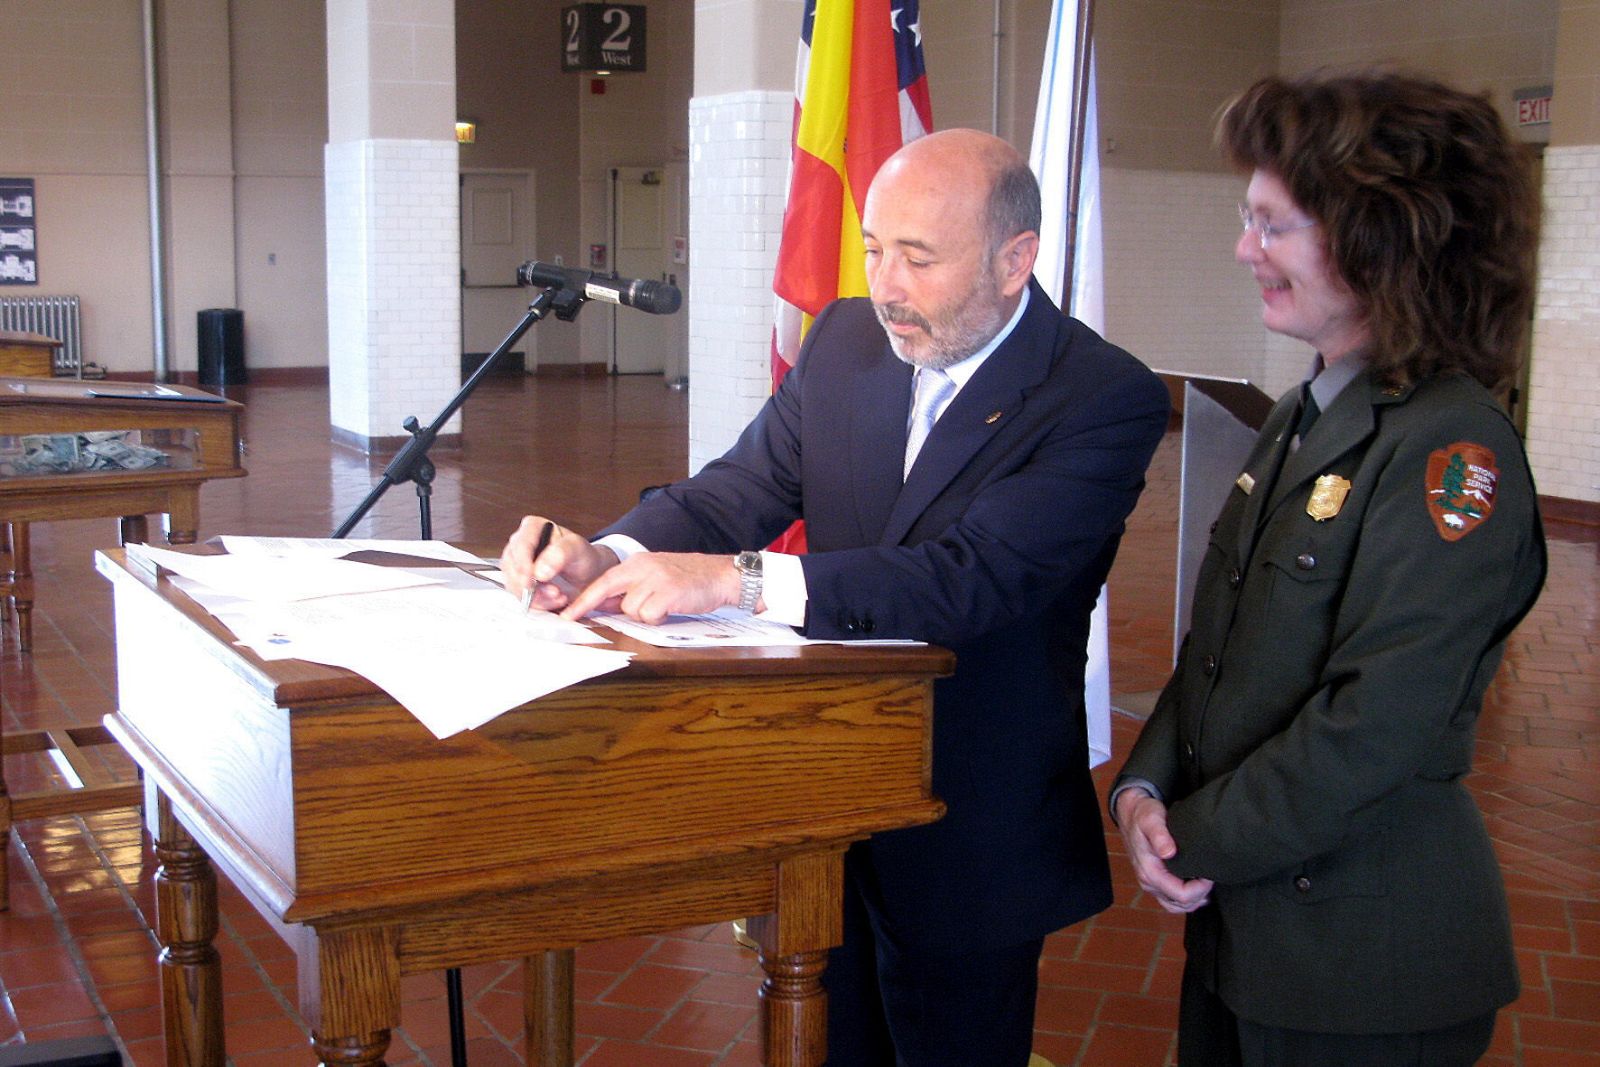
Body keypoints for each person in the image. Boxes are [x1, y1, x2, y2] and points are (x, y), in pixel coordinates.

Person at [501, 128, 1170, 1066]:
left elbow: (969, 575)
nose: (886, 283)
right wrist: (606, 552)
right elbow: (737, 487)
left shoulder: (1101, 396)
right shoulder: (849, 340)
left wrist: (736, 579)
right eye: (872, 247)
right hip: (821, 788)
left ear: (1017, 260)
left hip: (969, 811)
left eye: (919, 257)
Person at [1112, 71, 1547, 1066]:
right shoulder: (1308, 417)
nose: (1242, 249)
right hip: (1251, 937)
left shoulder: (1450, 452)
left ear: (1378, 236)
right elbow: (1214, 654)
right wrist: (1142, 787)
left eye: (1273, 224)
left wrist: (1187, 838)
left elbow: (1370, 728)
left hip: (1362, 965)